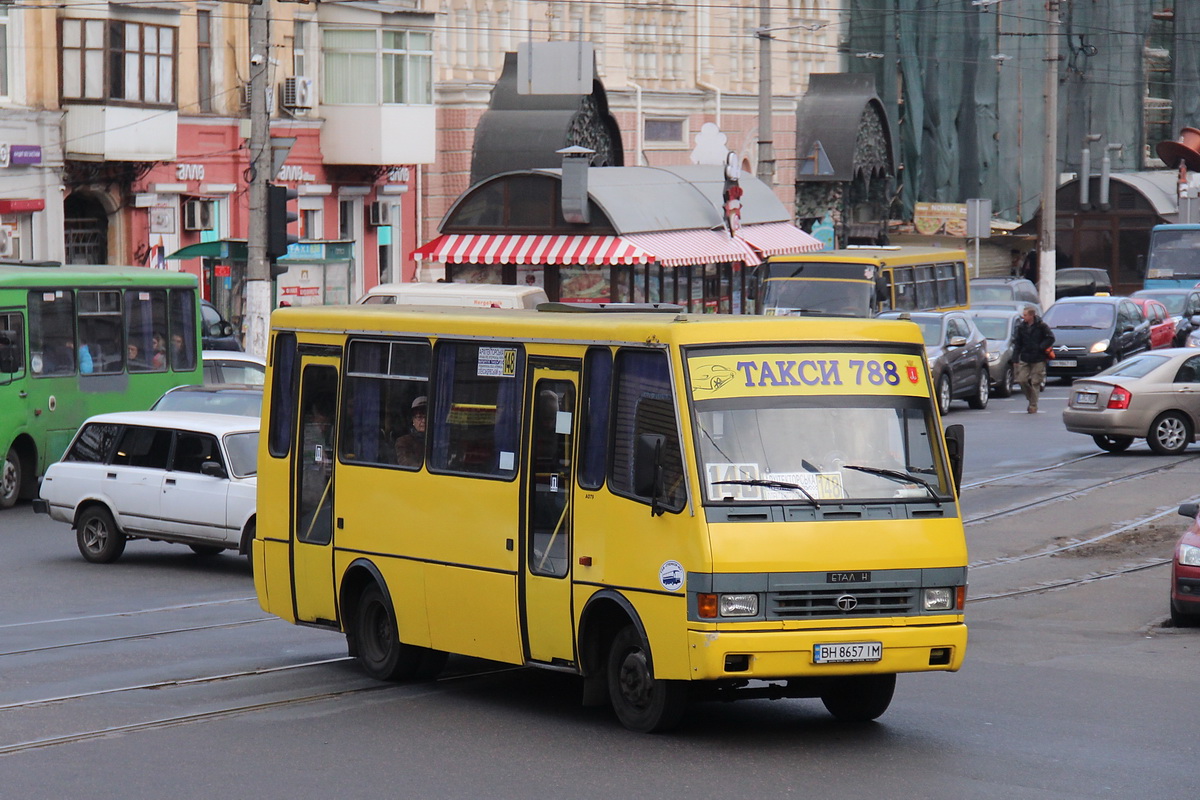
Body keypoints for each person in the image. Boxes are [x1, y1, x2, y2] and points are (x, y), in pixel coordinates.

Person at [1012, 306, 1055, 414]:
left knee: (1036, 382)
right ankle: (1031, 398)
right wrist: (1015, 357)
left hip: (1039, 358)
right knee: (1022, 380)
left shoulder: (1041, 326)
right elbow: (1018, 343)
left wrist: (1041, 347)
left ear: (1032, 316)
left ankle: (1033, 405)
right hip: (1025, 357)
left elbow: (1050, 338)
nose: (1023, 317)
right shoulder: (1021, 327)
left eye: (1025, 315)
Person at [394, 396, 427, 467]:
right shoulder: (403, 442)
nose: (424, 421)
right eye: (419, 417)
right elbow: (408, 465)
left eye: (426, 417)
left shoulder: (437, 441)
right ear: (413, 420)